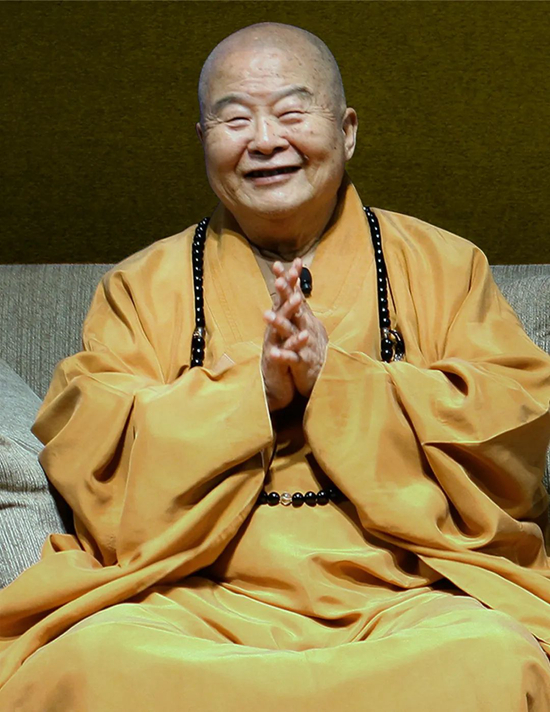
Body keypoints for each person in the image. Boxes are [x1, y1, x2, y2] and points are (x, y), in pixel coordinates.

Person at [1, 21, 550, 711]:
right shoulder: (141, 286)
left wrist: (336, 381)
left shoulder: (446, 265)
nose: (264, 140)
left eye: (291, 113)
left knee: (492, 658)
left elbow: (509, 426)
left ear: (346, 131)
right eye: (234, 120)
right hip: (194, 594)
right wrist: (250, 394)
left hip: (410, 591)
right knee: (87, 664)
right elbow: (91, 448)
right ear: (203, 140)